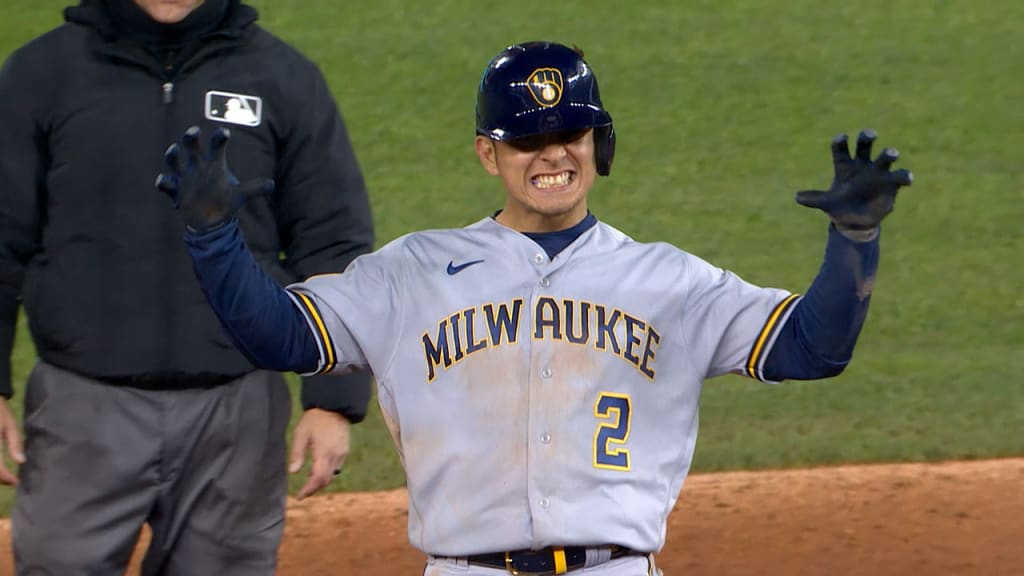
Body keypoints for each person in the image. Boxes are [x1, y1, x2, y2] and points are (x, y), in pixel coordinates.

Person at [157, 41, 914, 576]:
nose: (552, 154)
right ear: (489, 154)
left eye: (569, 133)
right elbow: (277, 335)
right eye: (527, 140)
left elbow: (813, 351)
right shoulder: (409, 274)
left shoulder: (669, 280)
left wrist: (855, 238)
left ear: (598, 142)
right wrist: (213, 238)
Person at [0, 0, 375, 574]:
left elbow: (332, 245)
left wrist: (334, 401)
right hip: (83, 410)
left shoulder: (282, 78)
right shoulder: (42, 75)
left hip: (239, 413)